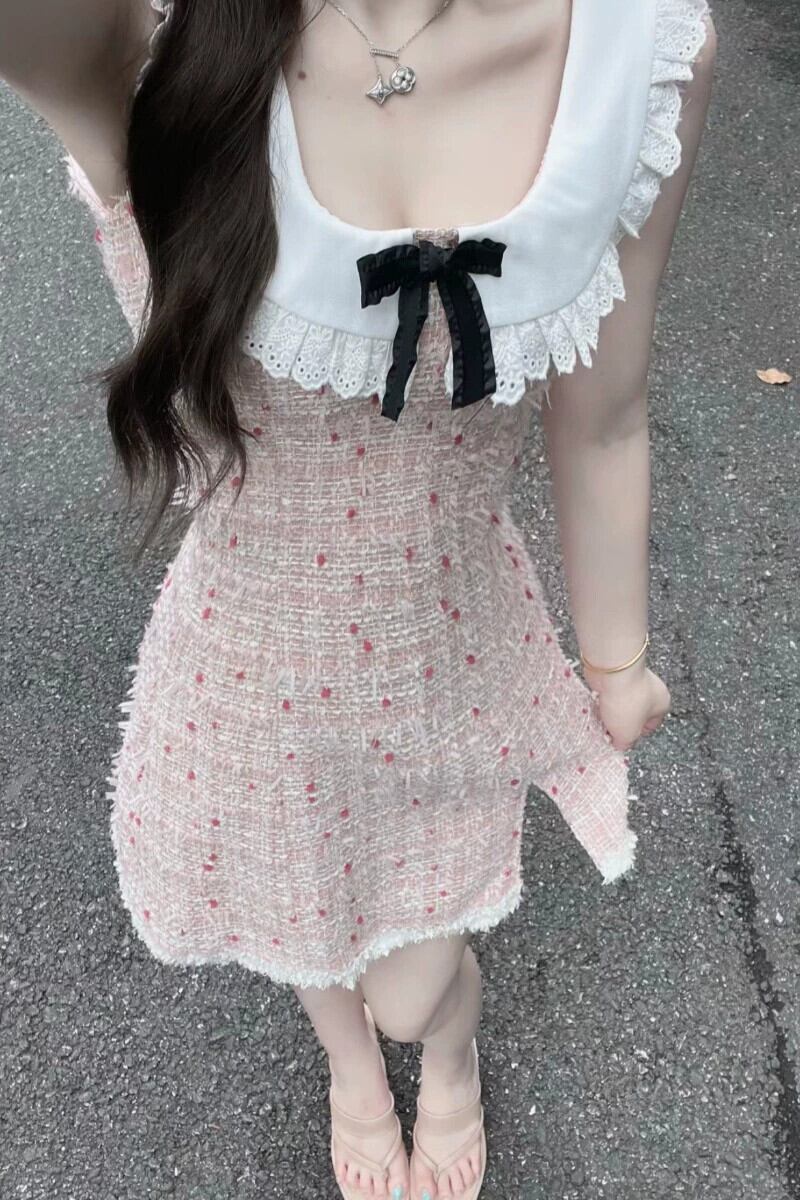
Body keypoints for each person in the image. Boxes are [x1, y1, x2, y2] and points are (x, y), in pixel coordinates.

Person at [0, 1, 717, 1196]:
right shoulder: (147, 39)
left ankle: (443, 1048)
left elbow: (602, 415)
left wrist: (615, 657)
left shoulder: (633, 54)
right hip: (249, 666)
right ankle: (349, 1069)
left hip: (449, 652)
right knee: (299, 911)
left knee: (412, 987)